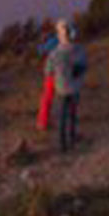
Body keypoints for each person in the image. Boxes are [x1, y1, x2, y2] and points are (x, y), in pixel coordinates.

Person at [44, 19, 87, 153]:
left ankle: (62, 144)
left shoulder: (54, 53)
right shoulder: (79, 50)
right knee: (72, 115)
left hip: (61, 88)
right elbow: (83, 67)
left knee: (62, 117)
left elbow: (48, 71)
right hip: (75, 88)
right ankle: (72, 138)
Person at [36, 32, 59, 131]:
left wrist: (41, 43)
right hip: (60, 72)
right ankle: (47, 121)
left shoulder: (53, 41)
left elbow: (41, 51)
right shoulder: (58, 40)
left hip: (52, 73)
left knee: (47, 98)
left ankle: (43, 122)